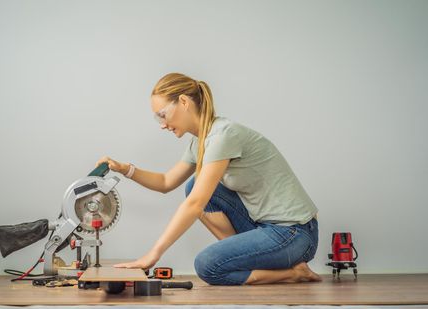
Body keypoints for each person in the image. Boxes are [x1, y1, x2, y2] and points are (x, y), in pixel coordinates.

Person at [95, 72, 321, 285]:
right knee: (194, 184)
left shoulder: (223, 135)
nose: (162, 124)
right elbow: (166, 182)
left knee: (208, 265)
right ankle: (243, 256)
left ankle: (293, 273)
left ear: (184, 102)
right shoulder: (200, 140)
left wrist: (153, 254)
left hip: (294, 234)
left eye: (162, 115)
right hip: (263, 227)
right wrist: (124, 169)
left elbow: (195, 204)